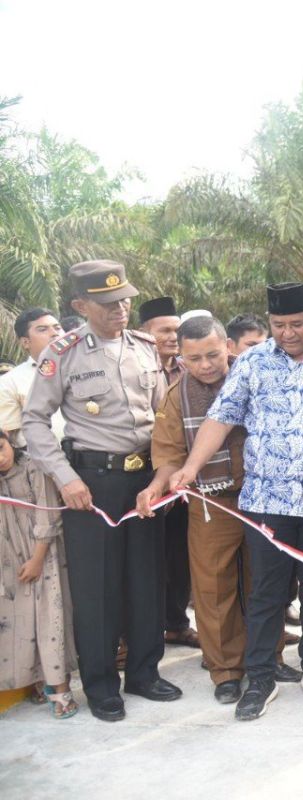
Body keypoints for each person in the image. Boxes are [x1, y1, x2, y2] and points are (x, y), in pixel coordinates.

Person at [169, 281, 303, 721]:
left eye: (297, 324)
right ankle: (261, 676)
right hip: (266, 502)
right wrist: (190, 468)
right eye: (278, 325)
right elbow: (221, 419)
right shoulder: (252, 363)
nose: (287, 333)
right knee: (265, 594)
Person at [24, 259, 180, 722]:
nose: (121, 309)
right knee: (97, 589)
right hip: (91, 483)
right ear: (80, 305)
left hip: (144, 480)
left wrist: (161, 477)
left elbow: (163, 416)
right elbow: (34, 420)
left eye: (125, 299)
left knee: (146, 578)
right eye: (108, 303)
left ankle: (144, 672)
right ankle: (100, 685)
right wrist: (65, 478)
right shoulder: (63, 353)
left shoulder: (146, 348)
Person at [135, 316, 301, 704]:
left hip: (263, 499)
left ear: (227, 345)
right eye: (194, 358)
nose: (206, 365)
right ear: (182, 357)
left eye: (212, 354)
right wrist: (158, 484)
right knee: (213, 588)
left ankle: (270, 657)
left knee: (266, 582)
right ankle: (225, 670)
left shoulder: (256, 379)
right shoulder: (177, 395)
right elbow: (168, 452)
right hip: (210, 503)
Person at [0, 430, 77, 718]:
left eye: (1, 448)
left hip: (42, 557)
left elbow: (48, 516)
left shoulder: (34, 467)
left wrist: (36, 559)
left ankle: (60, 690)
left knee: (50, 620)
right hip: (8, 561)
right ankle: (35, 680)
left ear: (8, 439)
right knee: (17, 623)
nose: (0, 458)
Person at [139, 296, 198, 650]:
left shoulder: (188, 368)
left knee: (179, 554)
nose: (173, 337)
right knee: (144, 557)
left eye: (177, 330)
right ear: (145, 333)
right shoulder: (133, 367)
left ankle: (176, 623)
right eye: (164, 330)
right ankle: (137, 635)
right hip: (140, 473)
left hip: (183, 476)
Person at [0, 308, 65, 446]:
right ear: (25, 342)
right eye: (42, 329)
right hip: (40, 464)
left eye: (57, 328)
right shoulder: (11, 382)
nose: (54, 333)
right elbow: (9, 440)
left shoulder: (89, 367)